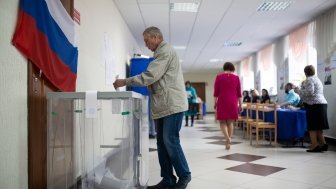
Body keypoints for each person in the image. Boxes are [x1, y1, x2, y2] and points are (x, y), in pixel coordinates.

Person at [113, 26, 191, 189]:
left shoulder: (165, 51)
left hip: (172, 104)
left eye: (147, 40)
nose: (146, 44)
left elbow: (150, 76)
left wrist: (124, 81)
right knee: (162, 143)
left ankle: (184, 176)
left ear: (156, 37)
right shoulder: (159, 53)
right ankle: (168, 179)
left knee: (170, 140)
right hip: (163, 104)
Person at [298, 65, 329, 152]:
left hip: (313, 105)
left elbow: (309, 92)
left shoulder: (309, 79)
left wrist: (298, 90)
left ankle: (314, 145)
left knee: (312, 126)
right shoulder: (317, 79)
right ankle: (323, 144)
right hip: (322, 104)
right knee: (319, 126)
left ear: (305, 72)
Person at [214, 62, 242, 150]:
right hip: (233, 101)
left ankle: (227, 138)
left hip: (222, 100)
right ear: (232, 68)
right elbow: (239, 93)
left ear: (224, 68)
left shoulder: (219, 77)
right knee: (230, 122)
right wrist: (240, 104)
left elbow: (216, 92)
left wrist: (215, 103)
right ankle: (228, 142)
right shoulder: (236, 78)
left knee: (222, 122)